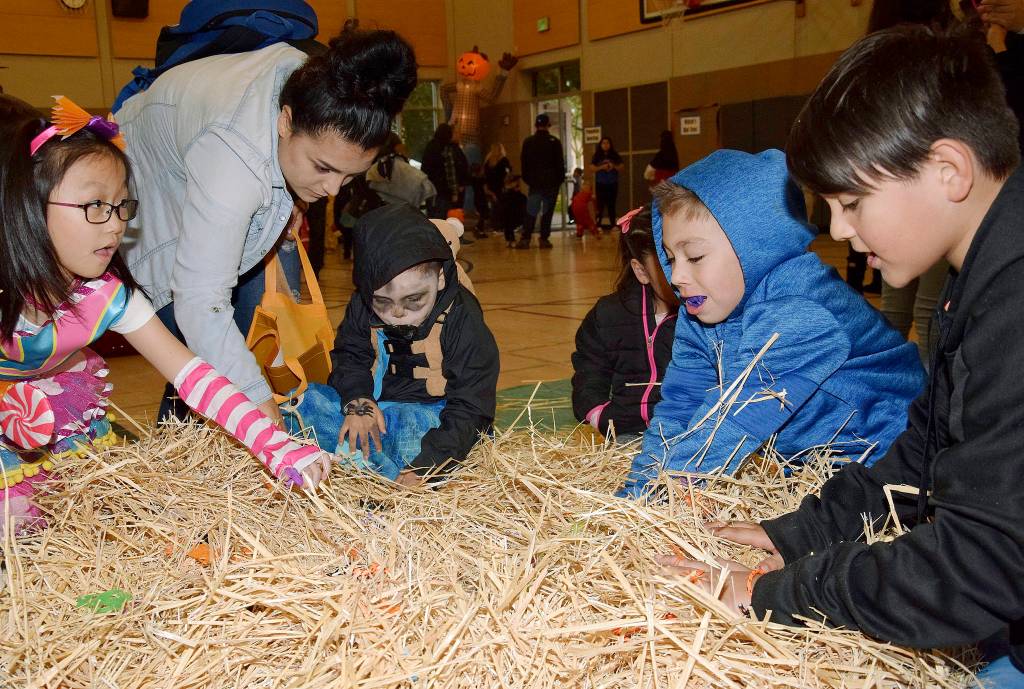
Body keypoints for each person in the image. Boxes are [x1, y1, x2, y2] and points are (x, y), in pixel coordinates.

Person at [662, 26, 1024, 687]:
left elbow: (980, 563)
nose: (838, 230)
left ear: (948, 171)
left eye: (852, 203)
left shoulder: (1013, 304)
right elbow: (925, 454)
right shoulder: (979, 279)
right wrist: (799, 533)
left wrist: (778, 593)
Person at [0, 105, 333, 535]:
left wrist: (275, 446)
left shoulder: (109, 295)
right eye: (95, 204)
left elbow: (195, 377)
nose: (115, 225)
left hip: (57, 411)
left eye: (121, 205)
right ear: (28, 205)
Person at [115, 27, 417, 426]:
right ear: (285, 121)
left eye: (348, 176)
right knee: (198, 346)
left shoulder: (312, 82)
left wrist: (294, 197)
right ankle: (189, 443)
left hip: (204, 173)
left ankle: (206, 433)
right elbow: (200, 301)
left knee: (244, 337)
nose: (331, 190)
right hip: (148, 204)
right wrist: (256, 407)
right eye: (322, 168)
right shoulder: (233, 159)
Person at [618, 149, 925, 498]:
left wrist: (664, 494)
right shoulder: (702, 308)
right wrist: (638, 490)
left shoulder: (801, 309)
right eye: (671, 259)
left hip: (890, 463)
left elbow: (734, 421)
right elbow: (680, 407)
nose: (677, 276)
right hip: (810, 469)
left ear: (755, 246)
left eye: (695, 256)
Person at [284, 204, 499, 485]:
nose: (397, 313)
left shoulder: (462, 318)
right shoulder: (363, 302)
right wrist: (359, 404)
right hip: (374, 404)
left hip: (433, 418)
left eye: (414, 300)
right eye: (382, 302)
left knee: (408, 431)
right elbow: (350, 356)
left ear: (440, 278)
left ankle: (365, 464)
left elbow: (472, 405)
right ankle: (367, 462)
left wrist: (426, 467)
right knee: (303, 404)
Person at [572, 207, 677, 439]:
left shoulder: (705, 318)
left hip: (689, 435)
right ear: (641, 271)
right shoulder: (608, 315)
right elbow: (590, 371)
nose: (680, 274)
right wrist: (598, 414)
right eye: (666, 264)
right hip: (628, 434)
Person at [517, 113, 565, 249]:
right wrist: (558, 180)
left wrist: (529, 180)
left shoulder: (528, 142)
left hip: (535, 184)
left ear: (535, 125)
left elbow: (524, 164)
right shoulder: (554, 142)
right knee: (547, 213)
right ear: (548, 125)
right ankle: (544, 238)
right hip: (551, 183)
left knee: (531, 211)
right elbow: (560, 164)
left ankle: (526, 238)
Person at [366, 132, 436, 211]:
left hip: (376, 176)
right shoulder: (390, 137)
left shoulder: (373, 137)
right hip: (387, 174)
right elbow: (403, 152)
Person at [421, 123, 469, 220]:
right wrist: (454, 192)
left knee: (433, 219)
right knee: (445, 219)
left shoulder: (430, 146)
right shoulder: (447, 148)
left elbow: (425, 169)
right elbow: (450, 173)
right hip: (444, 192)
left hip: (431, 190)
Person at [592, 137, 624, 229]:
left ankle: (613, 224)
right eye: (603, 143)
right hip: (600, 183)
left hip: (612, 183)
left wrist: (614, 166)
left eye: (607, 143)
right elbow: (591, 168)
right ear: (601, 145)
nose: (605, 145)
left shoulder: (615, 155)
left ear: (610, 144)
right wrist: (601, 167)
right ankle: (598, 224)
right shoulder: (597, 155)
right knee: (600, 205)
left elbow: (622, 167)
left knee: (611, 204)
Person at [495, 174, 527, 248]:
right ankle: (510, 240)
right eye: (516, 182)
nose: (518, 184)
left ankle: (510, 240)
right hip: (508, 210)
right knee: (508, 225)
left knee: (509, 225)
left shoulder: (516, 193)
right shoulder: (506, 193)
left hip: (513, 210)